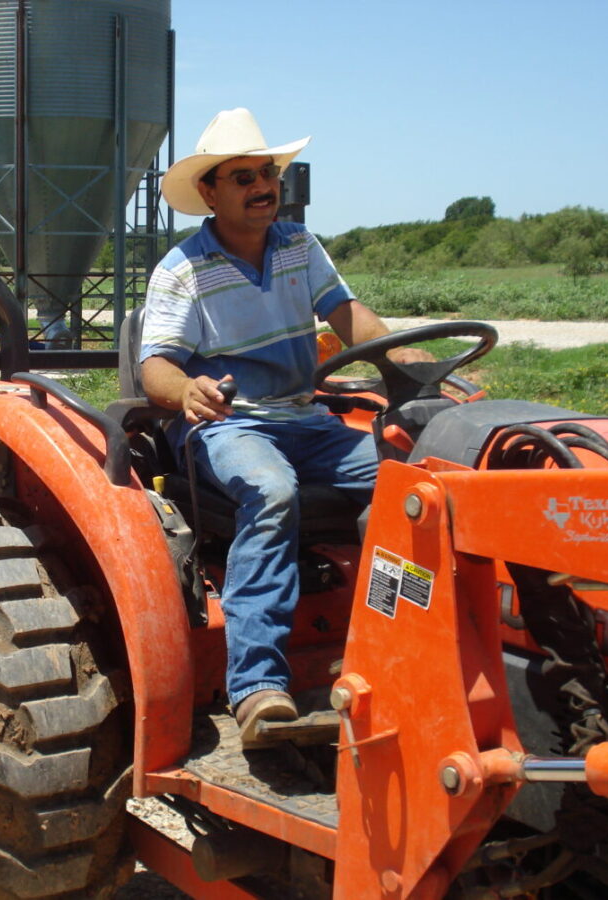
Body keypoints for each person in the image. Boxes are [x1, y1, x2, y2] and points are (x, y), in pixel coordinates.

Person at [139, 108, 428, 749]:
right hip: (227, 424)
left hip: (305, 418)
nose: (261, 185)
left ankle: (400, 644)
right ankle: (258, 687)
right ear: (209, 194)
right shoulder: (183, 268)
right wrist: (186, 389)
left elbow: (348, 316)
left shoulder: (299, 245)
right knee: (272, 492)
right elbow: (154, 363)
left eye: (266, 172)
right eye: (242, 177)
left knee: (415, 486)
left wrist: (410, 360)